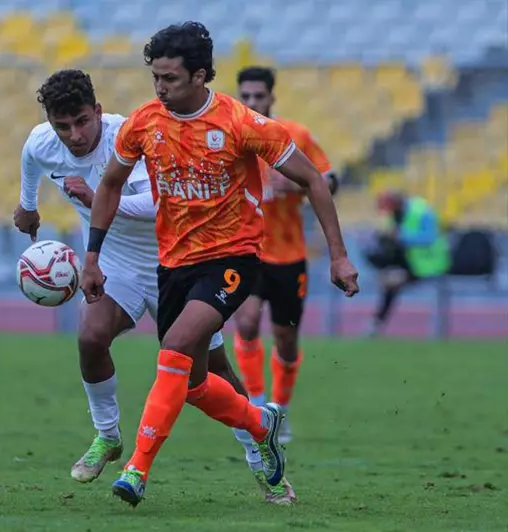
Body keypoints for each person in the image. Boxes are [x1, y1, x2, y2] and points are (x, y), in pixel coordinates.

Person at [80, 22, 359, 507]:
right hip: (174, 264)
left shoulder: (240, 123)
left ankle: (137, 468)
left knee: (177, 345)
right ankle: (261, 424)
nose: (160, 87)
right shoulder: (144, 122)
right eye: (155, 77)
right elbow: (109, 185)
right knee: (191, 383)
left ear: (200, 76)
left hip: (232, 258)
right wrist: (92, 257)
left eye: (170, 78)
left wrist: (338, 255)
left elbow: (314, 180)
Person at [13, 68, 249, 485]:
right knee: (91, 337)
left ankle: (258, 443)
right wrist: (27, 205)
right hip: (115, 264)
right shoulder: (42, 142)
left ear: (98, 111)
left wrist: (98, 198)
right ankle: (107, 435)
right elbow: (31, 160)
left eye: (82, 121)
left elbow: (160, 204)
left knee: (211, 376)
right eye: (62, 126)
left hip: (175, 264)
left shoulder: (130, 138)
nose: (74, 135)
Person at [230, 67, 338, 460]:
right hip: (247, 251)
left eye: (259, 96)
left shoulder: (295, 136)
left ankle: (281, 409)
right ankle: (258, 404)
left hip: (289, 257)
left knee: (286, 341)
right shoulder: (231, 136)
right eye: (246, 96)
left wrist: (295, 183)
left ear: (271, 98)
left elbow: (330, 180)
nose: (252, 103)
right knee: (245, 321)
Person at [365, 190, 450, 336]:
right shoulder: (393, 215)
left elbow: (430, 237)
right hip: (408, 264)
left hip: (428, 265)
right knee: (389, 280)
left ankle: (377, 323)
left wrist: (401, 236)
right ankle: (377, 323)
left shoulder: (422, 211)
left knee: (392, 283)